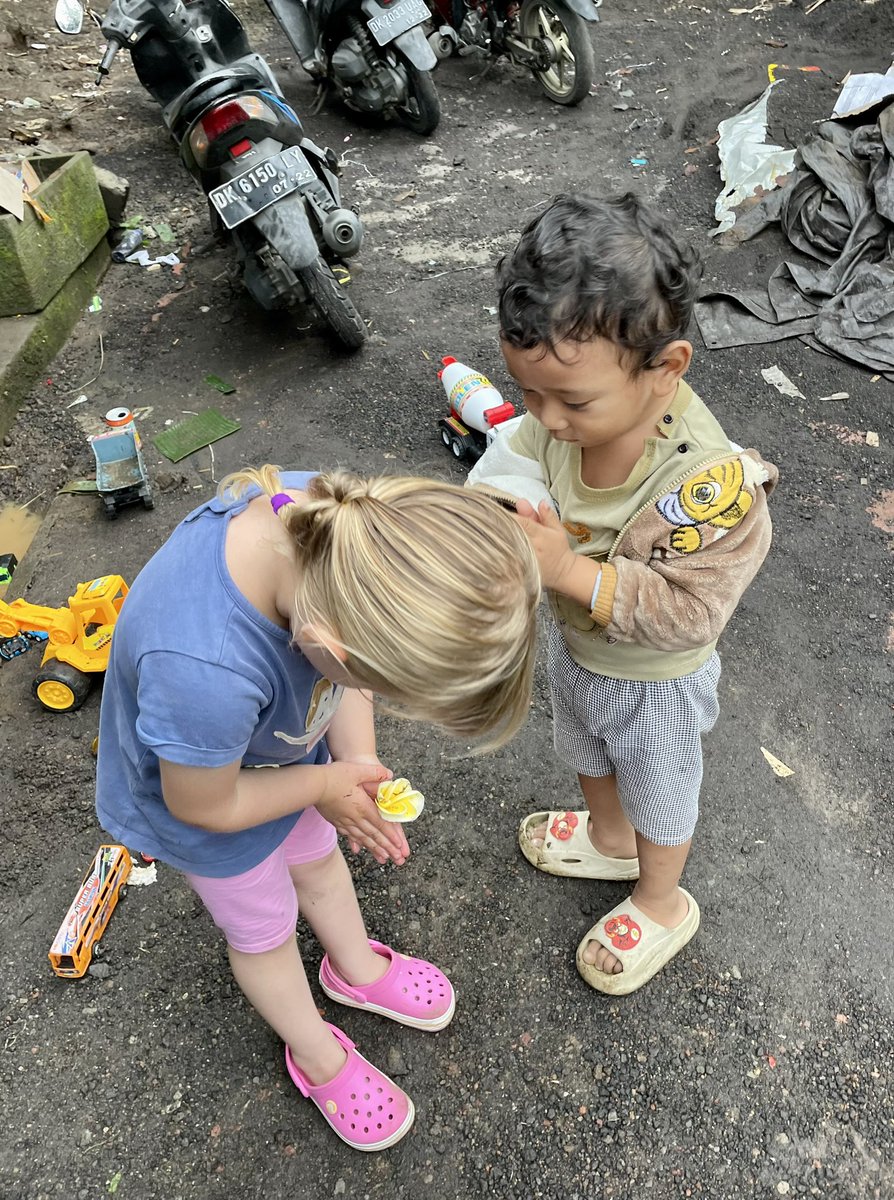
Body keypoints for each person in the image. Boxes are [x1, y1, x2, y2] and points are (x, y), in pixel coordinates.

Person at [96, 465, 540, 1151]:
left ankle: (354, 967)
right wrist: (326, 785)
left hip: (283, 759)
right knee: (264, 931)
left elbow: (341, 688)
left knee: (318, 858)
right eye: (377, 681)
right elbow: (206, 804)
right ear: (335, 647)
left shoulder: (343, 530)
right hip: (207, 802)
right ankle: (315, 1052)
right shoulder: (204, 669)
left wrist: (351, 770)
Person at [468, 193, 778, 995]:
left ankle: (661, 897)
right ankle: (610, 840)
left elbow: (690, 612)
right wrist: (501, 503)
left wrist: (567, 571)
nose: (546, 418)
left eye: (571, 401)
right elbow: (520, 449)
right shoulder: (558, 414)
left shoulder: (709, 487)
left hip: (658, 685)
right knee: (588, 756)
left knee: (661, 792)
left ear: (664, 369)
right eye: (527, 391)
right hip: (581, 653)